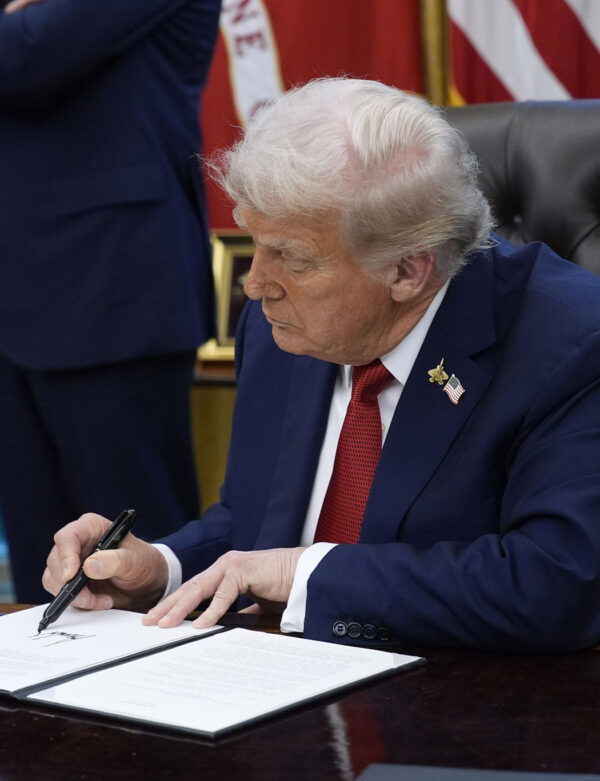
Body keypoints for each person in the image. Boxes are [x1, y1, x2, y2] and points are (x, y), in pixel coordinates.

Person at [43, 77, 600, 653]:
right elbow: (258, 523)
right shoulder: (283, 326)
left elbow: (555, 582)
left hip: (468, 713)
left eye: (292, 259)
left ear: (408, 272)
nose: (255, 285)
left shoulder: (573, 345)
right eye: (255, 242)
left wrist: (305, 576)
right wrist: (162, 568)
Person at [0, 0, 221, 602]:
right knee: (42, 579)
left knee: (142, 566)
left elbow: (26, 53)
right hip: (18, 293)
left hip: (110, 288)